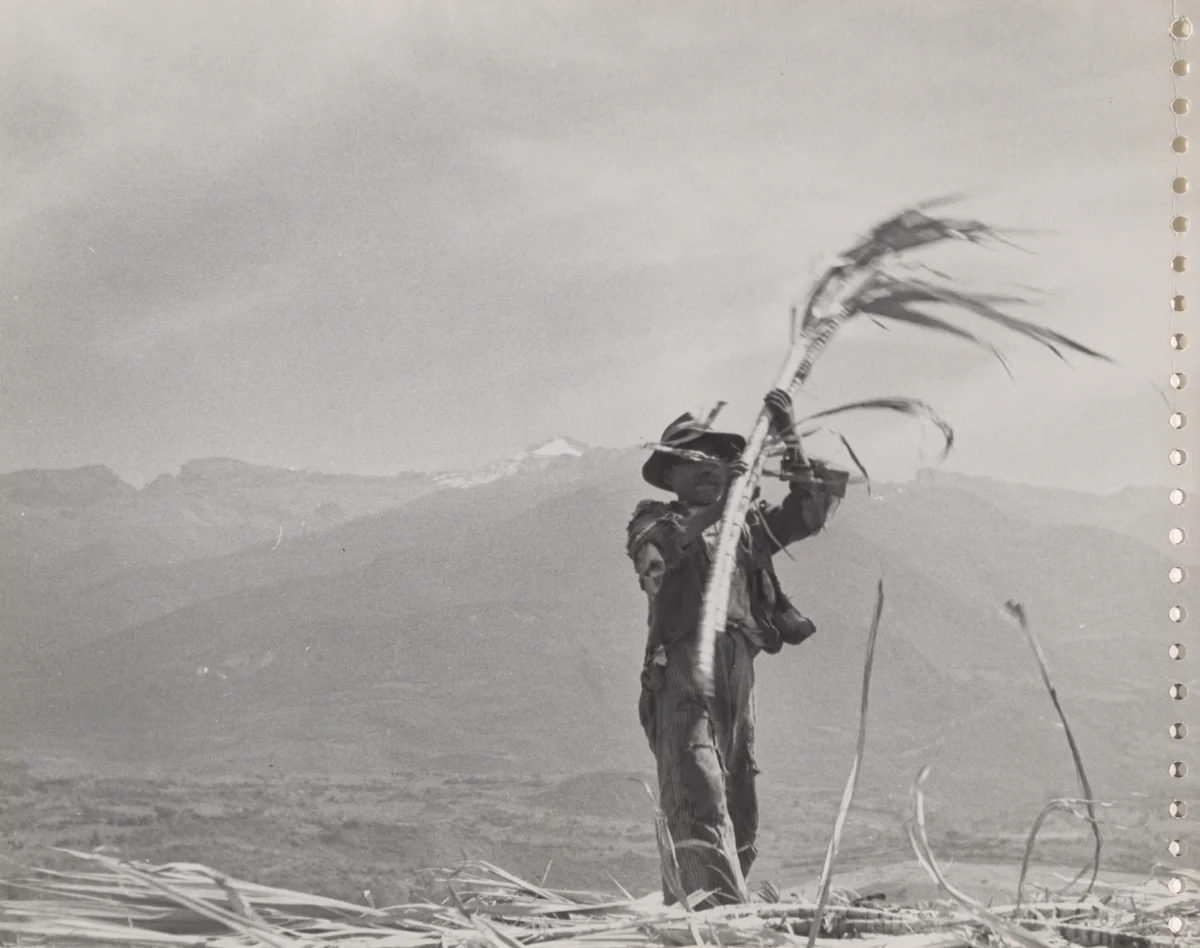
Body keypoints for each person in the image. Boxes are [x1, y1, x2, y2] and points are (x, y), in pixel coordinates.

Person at [625, 389, 848, 908]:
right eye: (694, 461)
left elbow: (810, 511)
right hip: (683, 665)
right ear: (670, 475)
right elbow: (661, 551)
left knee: (738, 789)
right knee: (695, 779)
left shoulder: (746, 526)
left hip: (737, 664)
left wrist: (789, 437)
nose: (709, 470)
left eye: (719, 461)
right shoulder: (653, 520)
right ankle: (704, 909)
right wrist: (727, 502)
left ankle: (729, 900)